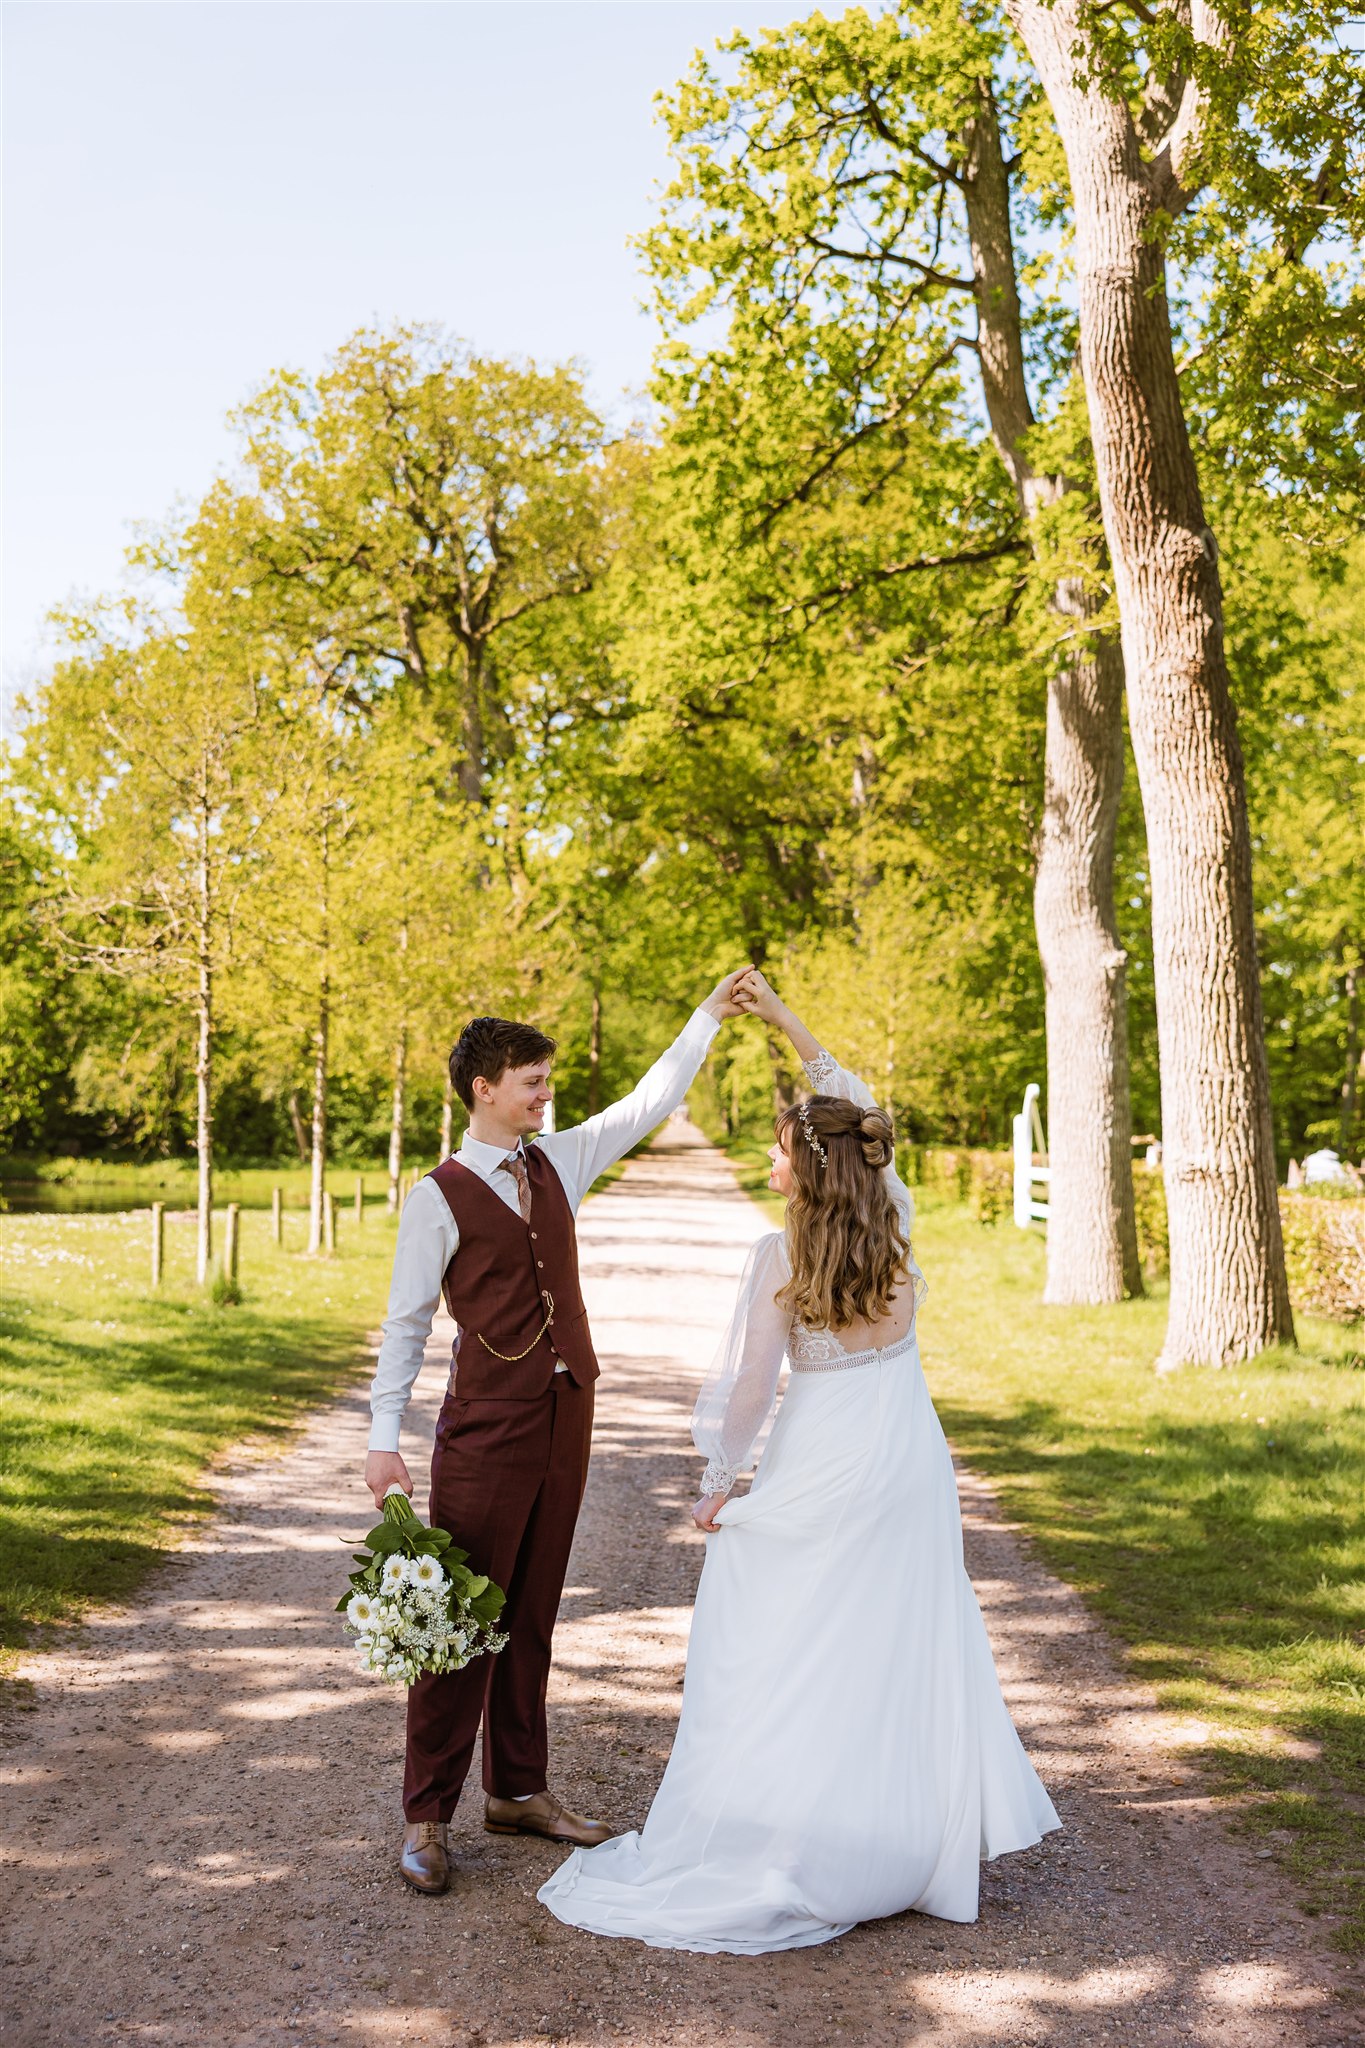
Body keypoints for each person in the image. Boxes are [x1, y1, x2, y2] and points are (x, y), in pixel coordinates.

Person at [538, 969, 1060, 1953]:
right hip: (906, 1458)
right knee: (898, 1637)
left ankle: (805, 1830)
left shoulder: (779, 1259)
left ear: (809, 1171)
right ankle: (902, 1837)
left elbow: (749, 1392)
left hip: (825, 1458)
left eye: (780, 1153)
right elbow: (855, 1104)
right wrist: (783, 1019)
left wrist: (719, 1482)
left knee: (790, 1633)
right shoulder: (895, 1217)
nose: (770, 1165)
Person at [365, 970, 751, 1896]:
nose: (547, 1095)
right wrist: (385, 1439)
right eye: (531, 1082)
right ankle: (427, 1816)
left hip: (566, 1411)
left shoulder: (560, 1160)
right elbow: (405, 1324)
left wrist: (704, 1015)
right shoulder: (439, 1196)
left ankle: (519, 1792)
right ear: (482, 1090)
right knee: (458, 1621)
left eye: (547, 1080)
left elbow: (649, 1103)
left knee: (533, 1611)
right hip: (486, 1426)